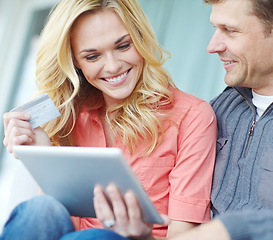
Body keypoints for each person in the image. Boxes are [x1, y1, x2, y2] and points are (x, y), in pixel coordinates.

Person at [48, 0, 273, 239]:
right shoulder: (217, 110)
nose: (213, 45)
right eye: (215, 28)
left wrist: (235, 229)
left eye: (230, 30)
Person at [1, 0, 217, 239]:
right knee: (39, 210)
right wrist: (43, 154)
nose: (113, 66)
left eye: (123, 46)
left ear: (140, 38)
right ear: (75, 63)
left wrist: (141, 236)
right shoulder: (73, 116)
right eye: (92, 56)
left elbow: (184, 236)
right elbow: (56, 224)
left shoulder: (192, 116)